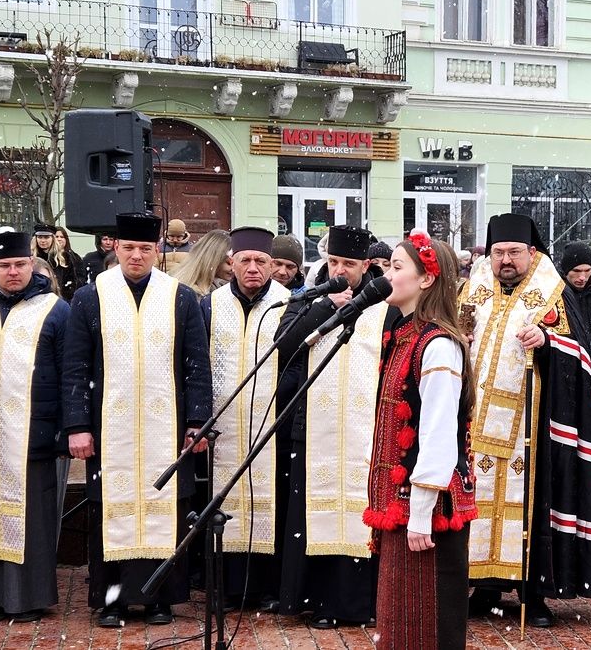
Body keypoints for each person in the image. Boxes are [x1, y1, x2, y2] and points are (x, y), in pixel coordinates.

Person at [62, 212, 212, 627]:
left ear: (158, 249)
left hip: (166, 428)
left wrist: (197, 420)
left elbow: (197, 365)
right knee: (112, 509)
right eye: (129, 247)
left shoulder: (180, 297)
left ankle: (160, 597)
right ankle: (111, 599)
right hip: (110, 428)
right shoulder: (90, 296)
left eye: (146, 248)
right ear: (115, 247)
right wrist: (77, 425)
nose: (137, 256)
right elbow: (74, 366)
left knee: (167, 508)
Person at [461, 213, 591, 628]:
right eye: (498, 252)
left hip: (534, 424)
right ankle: (484, 584)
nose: (505, 260)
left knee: (533, 502)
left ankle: (533, 590)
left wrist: (547, 343)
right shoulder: (475, 286)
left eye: (514, 253)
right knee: (479, 499)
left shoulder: (553, 292)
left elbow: (580, 356)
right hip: (476, 419)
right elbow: (458, 328)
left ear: (531, 252)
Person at [365, 230, 477, 650]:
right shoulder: (404, 335)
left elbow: (438, 431)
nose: (387, 274)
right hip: (403, 505)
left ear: (426, 279)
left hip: (426, 513)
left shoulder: (438, 344)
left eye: (396, 267)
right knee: (400, 622)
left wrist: (420, 510)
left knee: (428, 621)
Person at [273, 224, 386, 628]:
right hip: (313, 424)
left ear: (367, 264)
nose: (339, 269)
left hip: (367, 426)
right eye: (334, 261)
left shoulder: (384, 301)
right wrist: (326, 308)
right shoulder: (308, 295)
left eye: (349, 263)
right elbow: (284, 344)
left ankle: (356, 602)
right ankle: (316, 599)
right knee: (311, 510)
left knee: (361, 509)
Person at [0, 231, 69, 624]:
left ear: (32, 264)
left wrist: (68, 427)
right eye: (4, 266)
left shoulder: (54, 309)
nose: (13, 272)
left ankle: (27, 598)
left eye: (19, 264)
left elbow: (70, 373)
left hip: (32, 433)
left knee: (30, 518)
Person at [199, 227, 289, 610]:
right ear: (230, 263)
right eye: (245, 260)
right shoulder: (210, 305)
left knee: (271, 500)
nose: (253, 268)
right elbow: (197, 365)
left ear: (272, 265)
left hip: (271, 423)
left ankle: (267, 588)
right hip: (225, 424)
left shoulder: (290, 304)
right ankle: (225, 588)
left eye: (261, 261)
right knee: (224, 499)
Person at [559, 240, 591, 348]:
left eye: (587, 270)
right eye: (576, 271)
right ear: (566, 271)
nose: (582, 277)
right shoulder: (555, 296)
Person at [172, 229, 231, 298]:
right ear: (212, 260)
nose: (234, 268)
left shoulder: (232, 290)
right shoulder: (187, 294)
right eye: (229, 263)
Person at [48, 226, 86, 301]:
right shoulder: (48, 257)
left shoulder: (75, 257)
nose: (59, 239)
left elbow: (81, 276)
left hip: (70, 297)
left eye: (62, 237)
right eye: (56, 237)